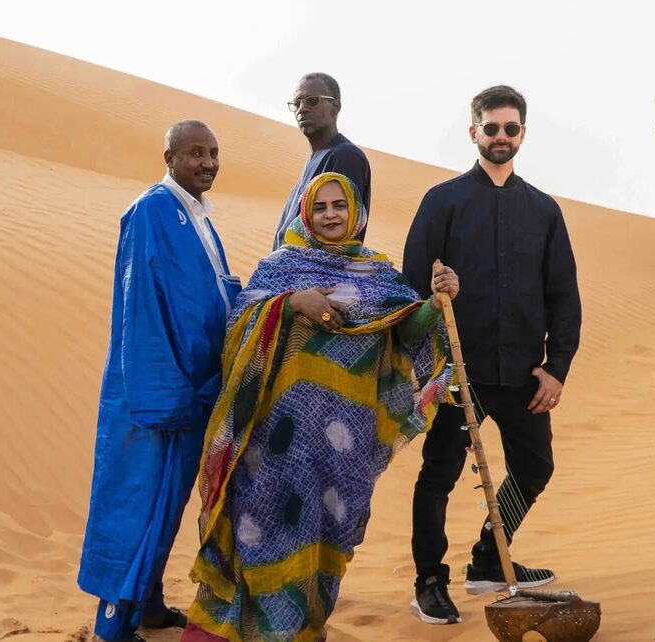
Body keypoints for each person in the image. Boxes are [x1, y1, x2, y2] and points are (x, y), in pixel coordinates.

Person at [181, 172, 458, 642]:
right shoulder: (280, 267)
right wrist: (289, 304)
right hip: (272, 443)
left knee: (326, 537)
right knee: (258, 530)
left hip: (342, 449)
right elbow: (239, 327)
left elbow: (408, 333)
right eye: (322, 206)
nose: (331, 215)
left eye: (340, 206)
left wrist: (434, 303)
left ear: (355, 213)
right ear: (306, 213)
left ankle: (301, 630)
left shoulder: (379, 273)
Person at [402, 85, 583, 625]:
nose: (500, 137)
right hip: (460, 370)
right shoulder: (444, 201)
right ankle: (430, 581)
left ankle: (488, 558)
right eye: (491, 127)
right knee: (439, 474)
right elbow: (412, 286)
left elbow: (564, 296)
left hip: (523, 371)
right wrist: (427, 344)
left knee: (534, 466)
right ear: (473, 131)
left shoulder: (544, 210)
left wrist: (557, 368)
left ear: (523, 133)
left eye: (511, 128)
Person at [78, 120, 241, 642]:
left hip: (193, 391)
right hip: (157, 398)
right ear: (168, 157)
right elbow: (144, 307)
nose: (208, 162)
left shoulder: (196, 216)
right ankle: (113, 625)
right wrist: (164, 395)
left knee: (166, 508)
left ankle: (148, 607)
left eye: (214, 153)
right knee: (138, 508)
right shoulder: (152, 210)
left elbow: (213, 295)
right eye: (196, 153)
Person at [271, 73, 372, 251]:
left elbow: (338, 236)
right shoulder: (316, 159)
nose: (302, 109)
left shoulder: (345, 156)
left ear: (336, 106)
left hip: (320, 276)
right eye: (297, 103)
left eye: (312, 101)